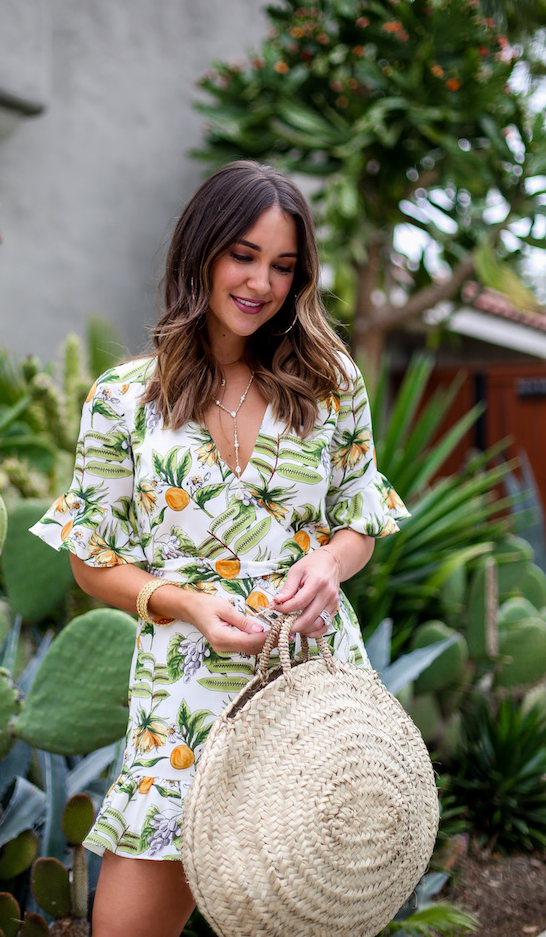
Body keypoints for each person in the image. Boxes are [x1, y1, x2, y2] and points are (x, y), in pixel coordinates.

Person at [30, 160, 410, 937]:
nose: (261, 283)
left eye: (283, 266)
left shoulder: (329, 384)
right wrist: (189, 605)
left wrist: (331, 562)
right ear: (200, 251)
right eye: (243, 255)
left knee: (307, 911)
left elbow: (360, 517)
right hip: (181, 690)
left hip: (305, 686)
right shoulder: (124, 400)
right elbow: (90, 560)